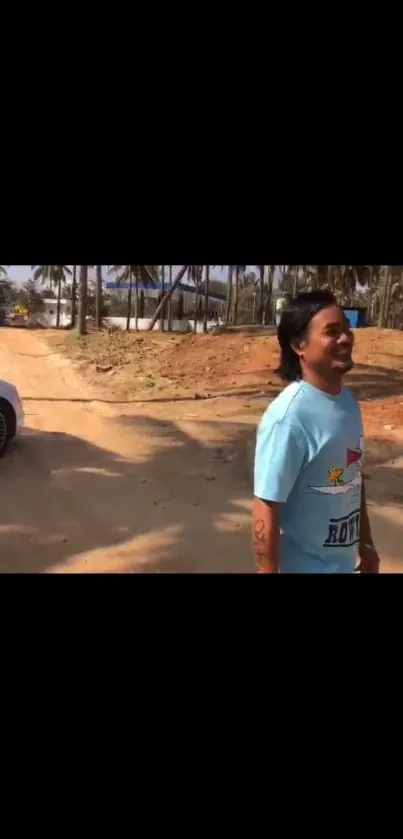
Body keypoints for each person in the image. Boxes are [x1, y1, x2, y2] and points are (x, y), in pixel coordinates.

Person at [253, 291, 380, 574]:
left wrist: (366, 546)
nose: (346, 338)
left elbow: (353, 479)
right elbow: (266, 508)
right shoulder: (288, 418)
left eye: (347, 329)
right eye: (332, 332)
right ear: (299, 345)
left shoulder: (348, 403)